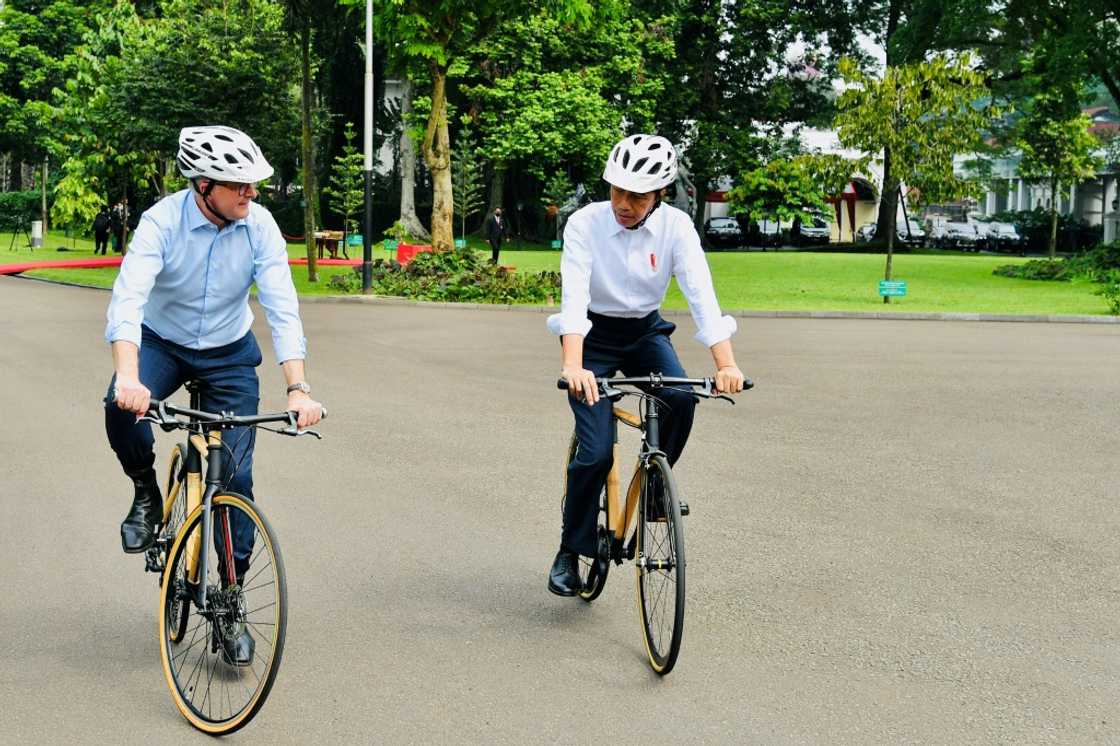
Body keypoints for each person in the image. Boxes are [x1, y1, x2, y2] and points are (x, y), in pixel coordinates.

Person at [104, 125, 324, 665]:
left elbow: (281, 308)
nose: (252, 193)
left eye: (253, 185)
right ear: (204, 185)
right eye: (240, 185)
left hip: (228, 352)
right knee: (117, 407)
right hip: (163, 344)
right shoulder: (162, 222)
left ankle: (230, 600)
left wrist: (297, 387)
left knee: (238, 479)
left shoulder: (260, 228)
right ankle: (145, 491)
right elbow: (127, 300)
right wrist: (129, 378)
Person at [545, 133, 745, 596]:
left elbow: (701, 296)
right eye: (617, 190)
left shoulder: (677, 228)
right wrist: (573, 365)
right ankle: (569, 550)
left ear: (659, 196)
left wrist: (726, 364)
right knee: (594, 453)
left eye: (636, 195)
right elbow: (573, 297)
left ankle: (658, 487)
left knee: (681, 397)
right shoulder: (584, 224)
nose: (623, 203)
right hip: (592, 338)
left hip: (644, 333)